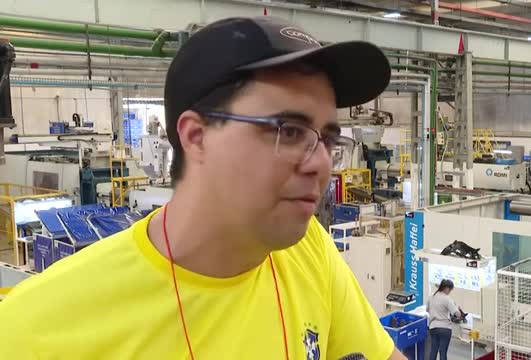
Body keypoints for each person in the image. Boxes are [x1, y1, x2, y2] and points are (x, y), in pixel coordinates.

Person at [0, 17, 406, 359]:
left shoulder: (308, 252)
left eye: (329, 140)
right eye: (290, 130)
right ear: (196, 137)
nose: (320, 162)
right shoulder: (33, 332)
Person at [426, 279, 461, 360]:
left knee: (433, 351)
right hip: (445, 328)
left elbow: (427, 310)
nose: (449, 292)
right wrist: (458, 310)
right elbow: (457, 314)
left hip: (433, 327)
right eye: (450, 290)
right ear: (447, 288)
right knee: (443, 352)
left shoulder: (431, 297)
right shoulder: (447, 299)